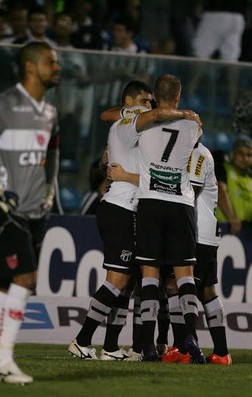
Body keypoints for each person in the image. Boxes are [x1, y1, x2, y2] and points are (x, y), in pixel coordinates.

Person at [68, 79, 201, 361]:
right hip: (120, 206)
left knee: (127, 283)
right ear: (129, 104)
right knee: (117, 279)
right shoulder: (131, 124)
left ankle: (111, 347)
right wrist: (184, 114)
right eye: (143, 100)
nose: (149, 105)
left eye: (151, 100)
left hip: (130, 207)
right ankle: (81, 340)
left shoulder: (138, 127)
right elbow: (132, 119)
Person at [0, 41, 61, 384]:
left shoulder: (50, 112)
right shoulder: (5, 104)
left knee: (7, 287)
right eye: (52, 62)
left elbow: (54, 153)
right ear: (32, 67)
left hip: (34, 211)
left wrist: (50, 190)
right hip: (2, 208)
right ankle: (5, 360)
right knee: (25, 279)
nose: (57, 68)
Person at [135, 74, 205, 363]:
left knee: (150, 277)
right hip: (181, 204)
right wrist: (185, 113)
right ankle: (189, 335)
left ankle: (149, 346)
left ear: (153, 94)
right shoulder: (193, 124)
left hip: (151, 202)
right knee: (184, 276)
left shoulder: (143, 120)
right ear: (179, 96)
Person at [162, 141, 232, 365]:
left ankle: (182, 347)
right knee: (207, 291)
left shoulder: (198, 154)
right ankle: (221, 353)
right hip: (204, 231)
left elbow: (191, 190)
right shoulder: (190, 152)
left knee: (175, 285)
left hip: (197, 232)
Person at [215, 135, 252, 234]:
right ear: (232, 154)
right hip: (226, 227)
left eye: (249, 155)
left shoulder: (249, 178)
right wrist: (231, 217)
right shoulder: (224, 170)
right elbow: (220, 189)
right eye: (241, 154)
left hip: (247, 231)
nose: (245, 158)